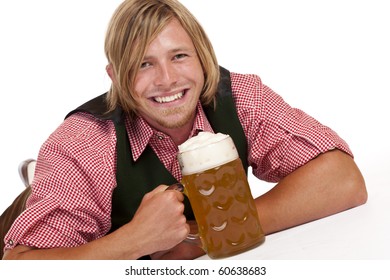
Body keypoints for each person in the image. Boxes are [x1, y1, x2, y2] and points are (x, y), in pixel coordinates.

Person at [2, 0, 367, 260]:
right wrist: (134, 240)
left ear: (203, 56)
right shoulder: (82, 142)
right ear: (116, 78)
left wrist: (205, 234)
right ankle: (40, 182)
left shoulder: (241, 96)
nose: (167, 80)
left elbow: (343, 180)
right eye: (143, 64)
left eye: (179, 56)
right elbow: (20, 266)